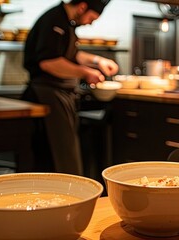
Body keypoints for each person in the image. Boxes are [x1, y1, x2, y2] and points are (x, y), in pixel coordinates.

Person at [22, 0, 119, 175]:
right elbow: (49, 62)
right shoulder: (53, 20)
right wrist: (86, 73)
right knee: (61, 156)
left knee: (66, 153)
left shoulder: (67, 23)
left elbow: (73, 55)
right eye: (92, 18)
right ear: (82, 7)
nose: (91, 22)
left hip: (60, 94)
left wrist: (98, 61)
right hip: (48, 95)